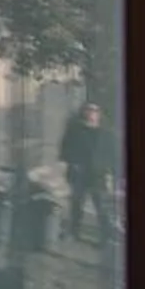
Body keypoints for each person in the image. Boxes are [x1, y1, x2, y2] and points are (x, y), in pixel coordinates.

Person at [61, 100, 116, 246]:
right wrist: (72, 163)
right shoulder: (74, 130)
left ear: (99, 114)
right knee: (76, 205)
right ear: (83, 112)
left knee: (102, 207)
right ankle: (73, 233)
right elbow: (65, 149)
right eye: (88, 110)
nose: (91, 113)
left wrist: (110, 173)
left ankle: (106, 237)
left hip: (98, 175)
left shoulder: (106, 133)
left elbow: (112, 155)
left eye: (95, 110)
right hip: (79, 173)